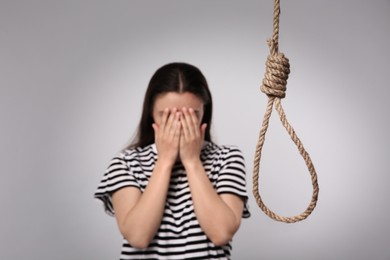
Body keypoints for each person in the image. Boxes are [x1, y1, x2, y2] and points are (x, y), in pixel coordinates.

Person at [94, 62, 250, 259]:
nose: (179, 124)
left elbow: (221, 233)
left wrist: (192, 161)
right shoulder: (125, 163)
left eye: (190, 115)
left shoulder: (227, 158)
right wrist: (165, 161)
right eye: (166, 115)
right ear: (151, 112)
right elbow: (138, 237)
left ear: (204, 112)